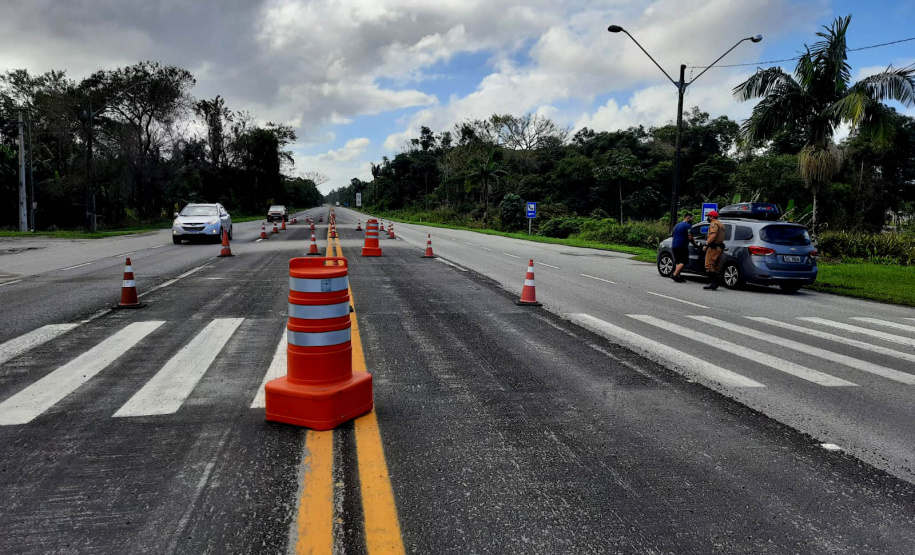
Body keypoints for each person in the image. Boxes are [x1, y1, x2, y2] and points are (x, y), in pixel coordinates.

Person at [703, 210, 726, 290]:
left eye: (709, 216)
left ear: (711, 217)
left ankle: (712, 283)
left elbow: (713, 236)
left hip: (713, 247)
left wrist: (706, 244)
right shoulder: (721, 224)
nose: (708, 218)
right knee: (716, 265)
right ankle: (715, 283)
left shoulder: (714, 224)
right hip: (720, 247)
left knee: (709, 265)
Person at [670, 213, 694, 282]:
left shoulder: (677, 225)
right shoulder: (688, 226)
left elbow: (672, 234)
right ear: (688, 218)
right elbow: (690, 237)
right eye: (692, 219)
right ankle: (674, 275)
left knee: (678, 261)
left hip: (674, 245)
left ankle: (678, 276)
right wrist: (695, 244)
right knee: (684, 261)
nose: (692, 221)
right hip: (682, 246)